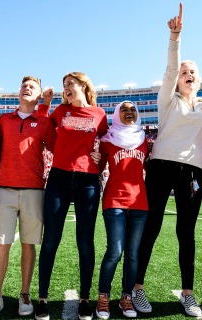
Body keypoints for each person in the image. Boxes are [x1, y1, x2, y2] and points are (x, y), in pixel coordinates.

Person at [132, 3, 202, 317]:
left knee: (186, 233)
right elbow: (171, 69)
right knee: (152, 227)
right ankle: (137, 289)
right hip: (161, 167)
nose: (187, 75)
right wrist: (175, 38)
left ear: (199, 82)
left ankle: (188, 294)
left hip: (191, 173)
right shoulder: (167, 100)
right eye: (185, 72)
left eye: (193, 73)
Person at [35, 72, 108, 320]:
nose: (65, 88)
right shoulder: (60, 112)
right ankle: (42, 298)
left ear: (83, 85)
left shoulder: (99, 115)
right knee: (51, 239)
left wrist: (103, 158)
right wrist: (45, 104)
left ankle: (85, 298)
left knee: (85, 242)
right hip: (59, 177)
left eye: (70, 84)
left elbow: (108, 142)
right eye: (64, 85)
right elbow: (43, 126)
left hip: (88, 180)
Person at [0, 76, 56, 319]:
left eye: (32, 87)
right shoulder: (4, 120)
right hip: (4, 189)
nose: (26, 88)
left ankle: (24, 293)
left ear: (38, 96)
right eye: (24, 86)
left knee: (28, 243)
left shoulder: (44, 121)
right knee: (1, 243)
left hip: (34, 190)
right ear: (18, 93)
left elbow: (58, 148)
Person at [93, 101, 148, 319]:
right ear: (116, 115)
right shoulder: (108, 140)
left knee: (133, 254)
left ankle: (126, 297)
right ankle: (103, 297)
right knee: (115, 251)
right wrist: (94, 158)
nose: (129, 112)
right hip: (114, 201)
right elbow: (97, 168)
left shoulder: (145, 140)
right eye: (123, 110)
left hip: (140, 203)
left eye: (132, 109)